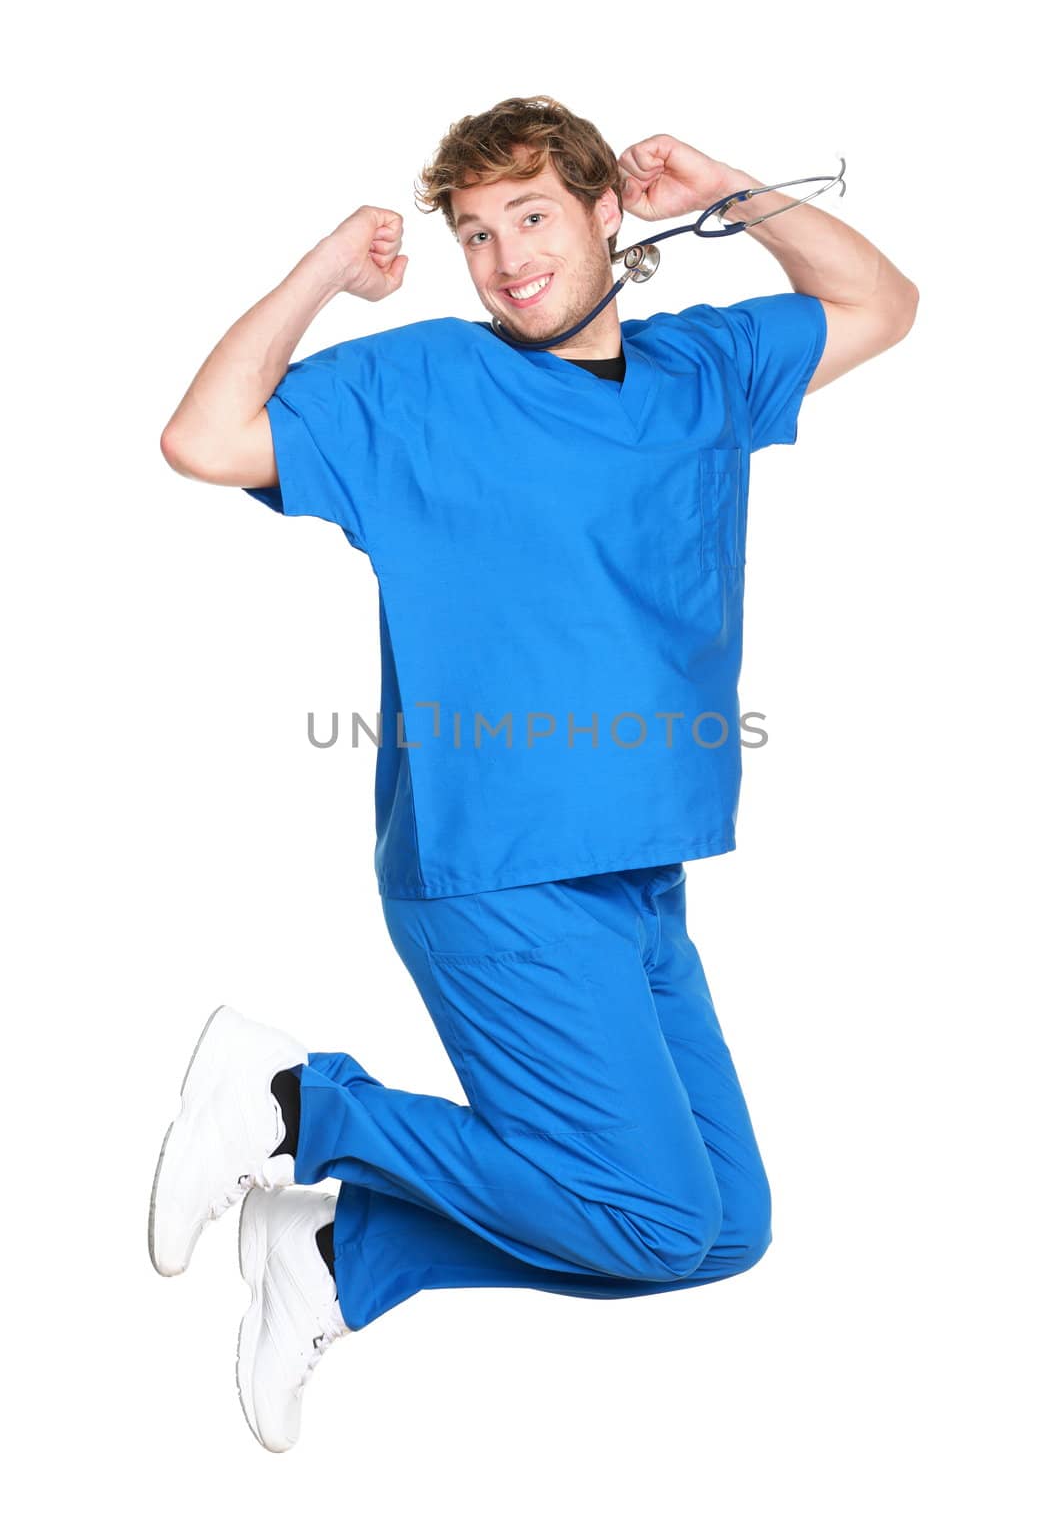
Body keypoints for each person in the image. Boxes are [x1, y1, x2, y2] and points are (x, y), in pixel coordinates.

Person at [151, 95, 919, 1452]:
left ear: (607, 215)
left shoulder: (705, 371)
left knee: (721, 1229)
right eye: (474, 233)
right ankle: (297, 1103)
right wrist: (329, 269)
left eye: (533, 217)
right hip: (493, 862)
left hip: (639, 874)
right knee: (654, 1215)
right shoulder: (423, 389)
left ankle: (343, 1254)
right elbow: (205, 441)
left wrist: (732, 188)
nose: (505, 258)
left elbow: (880, 303)